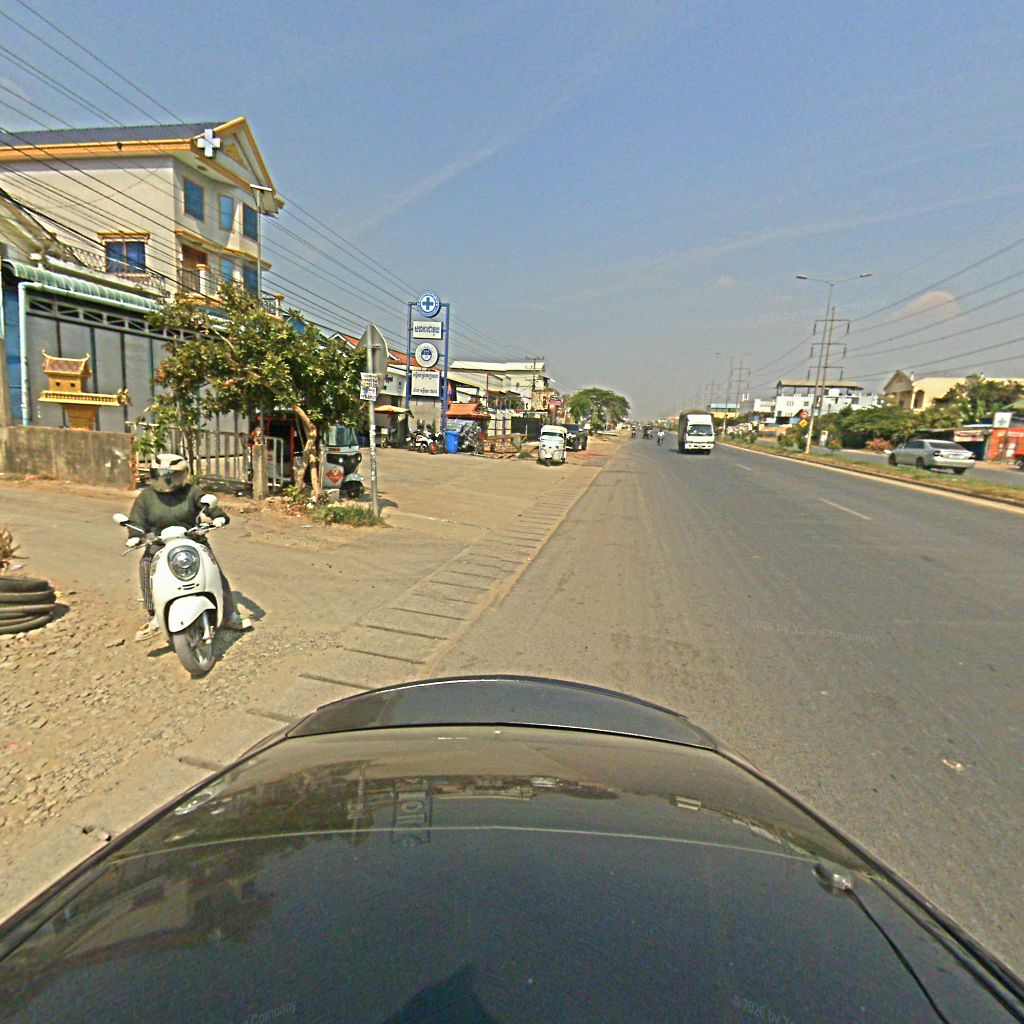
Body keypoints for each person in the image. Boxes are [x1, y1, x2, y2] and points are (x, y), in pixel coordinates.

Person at [127, 453, 251, 642]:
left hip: (193, 539)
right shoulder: (146, 497)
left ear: (183, 475)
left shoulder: (192, 492)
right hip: (159, 544)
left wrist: (218, 516)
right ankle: (155, 616)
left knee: (215, 573)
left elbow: (207, 506)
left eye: (173, 476)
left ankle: (229, 615)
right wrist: (135, 536)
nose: (167, 481)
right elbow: (136, 520)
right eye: (161, 476)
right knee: (146, 568)